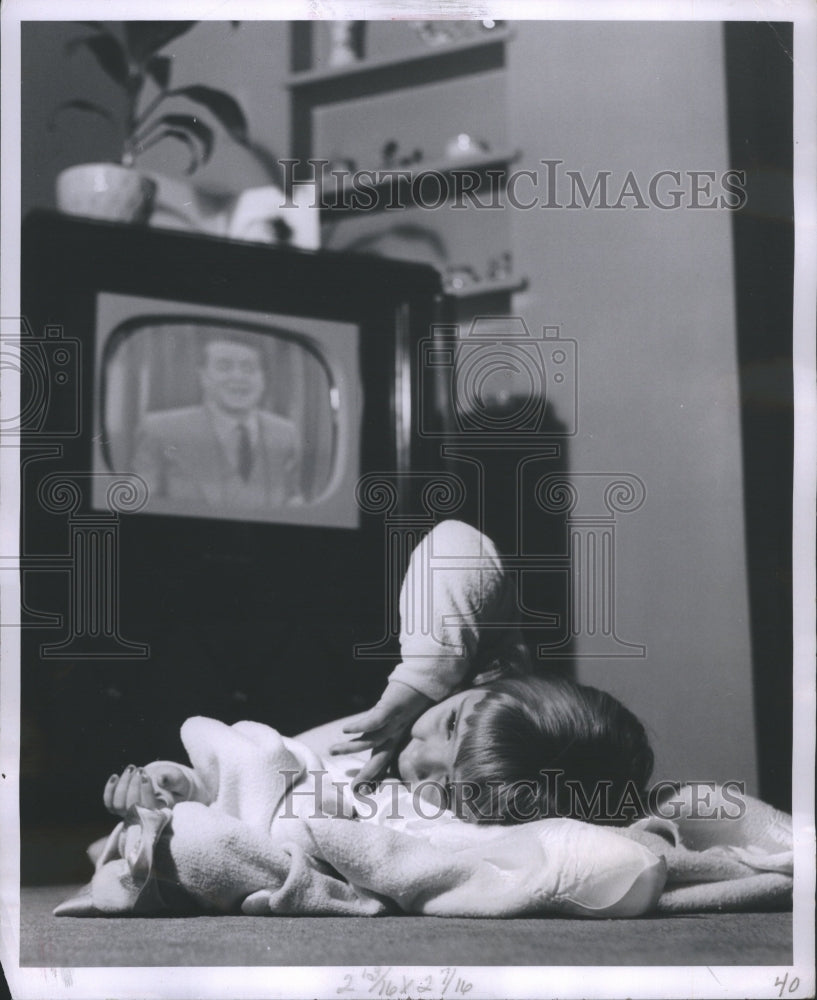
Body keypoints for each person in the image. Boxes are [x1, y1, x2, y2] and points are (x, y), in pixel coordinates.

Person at [105, 521, 653, 827]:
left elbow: (267, 802)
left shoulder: (413, 815)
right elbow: (455, 544)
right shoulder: (494, 680)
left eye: (443, 785)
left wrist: (188, 792)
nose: (415, 757)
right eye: (448, 725)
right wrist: (421, 683)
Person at [132, 332, 302, 512]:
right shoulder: (161, 429)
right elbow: (139, 506)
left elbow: (293, 501)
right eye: (224, 367)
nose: (238, 377)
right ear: (203, 376)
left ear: (263, 379)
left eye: (249, 368)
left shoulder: (285, 432)